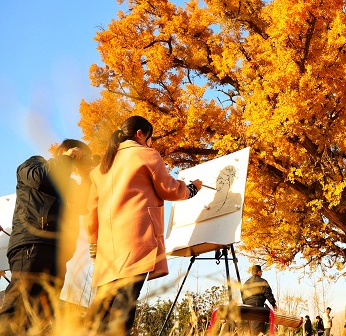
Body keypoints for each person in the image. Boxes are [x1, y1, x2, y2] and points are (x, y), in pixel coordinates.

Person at [87, 116, 202, 335]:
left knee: (101, 307)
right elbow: (168, 188)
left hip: (107, 248)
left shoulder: (101, 167)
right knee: (124, 302)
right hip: (136, 239)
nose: (151, 143)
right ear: (140, 134)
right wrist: (191, 189)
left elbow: (91, 211)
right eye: (150, 138)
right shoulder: (146, 154)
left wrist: (93, 244)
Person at [0, 139, 95, 328]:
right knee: (18, 304)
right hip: (32, 243)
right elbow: (38, 178)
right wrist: (66, 159)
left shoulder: (68, 183)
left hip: (58, 251)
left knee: (42, 311)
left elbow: (84, 204)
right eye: (76, 154)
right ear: (62, 152)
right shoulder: (34, 164)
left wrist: (86, 174)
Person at [242, 264, 278, 335]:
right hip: (257, 308)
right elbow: (268, 294)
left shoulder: (246, 283)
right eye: (261, 272)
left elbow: (243, 297)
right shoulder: (262, 282)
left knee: (250, 330)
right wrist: (273, 304)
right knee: (256, 331)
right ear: (259, 272)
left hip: (247, 309)